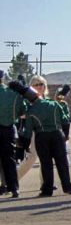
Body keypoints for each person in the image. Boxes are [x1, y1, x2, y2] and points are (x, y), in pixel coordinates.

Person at [10, 75, 71, 196]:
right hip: (53, 134)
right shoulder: (53, 104)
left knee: (46, 163)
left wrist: (23, 144)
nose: (40, 86)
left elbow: (28, 129)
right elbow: (65, 120)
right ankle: (67, 187)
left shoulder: (33, 107)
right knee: (57, 161)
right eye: (37, 85)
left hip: (41, 135)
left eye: (41, 84)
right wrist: (65, 134)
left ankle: (47, 188)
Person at [0, 70, 27, 198]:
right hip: (8, 128)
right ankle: (14, 188)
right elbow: (23, 111)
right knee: (9, 159)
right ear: (3, 78)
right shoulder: (13, 94)